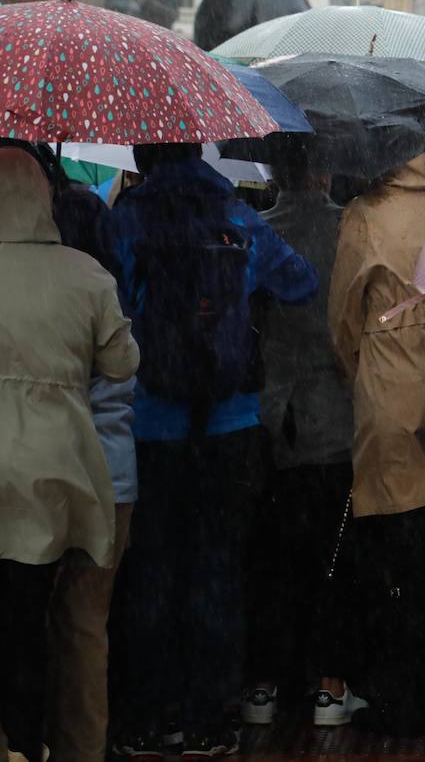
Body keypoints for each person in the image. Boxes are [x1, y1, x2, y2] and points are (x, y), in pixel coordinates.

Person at [105, 142, 318, 758]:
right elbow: (301, 284)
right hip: (230, 422)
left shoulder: (128, 219)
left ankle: (148, 717)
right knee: (216, 569)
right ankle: (205, 720)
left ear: (142, 159)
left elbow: (111, 303)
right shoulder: (239, 218)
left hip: (151, 424)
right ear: (202, 151)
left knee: (153, 567)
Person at [0, 144, 139, 762]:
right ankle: (54, 745)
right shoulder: (87, 276)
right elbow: (121, 364)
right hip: (62, 482)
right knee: (54, 626)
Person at [328, 149, 425, 736]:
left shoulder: (363, 215)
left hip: (388, 387)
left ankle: (397, 695)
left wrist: (358, 370)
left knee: (389, 545)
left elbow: (341, 318)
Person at [241, 159, 359, 728]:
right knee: (332, 555)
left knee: (271, 552)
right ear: (324, 171)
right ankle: (329, 686)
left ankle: (263, 685)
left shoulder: (252, 229)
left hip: (268, 413)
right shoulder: (349, 229)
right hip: (334, 412)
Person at [46, 182, 140, 762]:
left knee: (32, 622)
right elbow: (125, 373)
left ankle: (39, 741)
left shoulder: (25, 291)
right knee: (87, 627)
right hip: (113, 480)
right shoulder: (104, 288)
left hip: (46, 477)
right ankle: (87, 745)